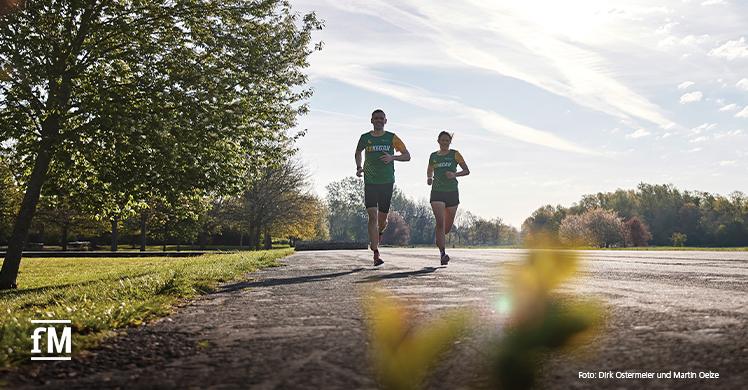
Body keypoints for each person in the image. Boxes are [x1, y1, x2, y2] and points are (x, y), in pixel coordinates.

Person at [355, 109, 410, 266]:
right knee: (372, 216)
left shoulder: (392, 138)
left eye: (381, 118)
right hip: (370, 181)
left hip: (387, 182)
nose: (378, 120)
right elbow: (358, 152)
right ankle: (376, 252)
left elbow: (407, 155)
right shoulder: (365, 138)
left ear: (385, 121)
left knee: (382, 221)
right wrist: (359, 166)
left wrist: (392, 157)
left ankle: (379, 233)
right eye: (376, 118)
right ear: (371, 120)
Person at [427, 131, 469, 265]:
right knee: (440, 222)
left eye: (447, 140)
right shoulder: (433, 156)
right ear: (438, 141)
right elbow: (429, 169)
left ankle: (439, 239)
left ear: (450, 142)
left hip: (452, 192)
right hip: (437, 192)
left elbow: (466, 170)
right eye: (442, 140)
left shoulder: (455, 154)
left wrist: (454, 174)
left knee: (447, 226)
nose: (444, 142)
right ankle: (442, 253)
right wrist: (429, 178)